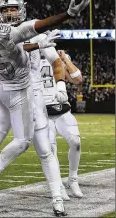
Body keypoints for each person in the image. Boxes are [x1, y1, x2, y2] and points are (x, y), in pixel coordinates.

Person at [0, 0, 89, 212]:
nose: (9, 13)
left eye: (13, 9)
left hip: (24, 94)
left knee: (44, 149)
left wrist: (59, 85)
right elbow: (21, 37)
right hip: (14, 94)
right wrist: (67, 15)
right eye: (5, 10)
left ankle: (57, 198)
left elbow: (40, 55)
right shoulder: (0, 32)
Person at [40, 49, 83, 199]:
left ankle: (73, 179)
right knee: (51, 151)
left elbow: (77, 79)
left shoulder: (57, 57)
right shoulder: (30, 58)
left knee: (76, 142)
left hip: (63, 110)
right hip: (43, 113)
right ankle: (58, 184)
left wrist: (65, 59)